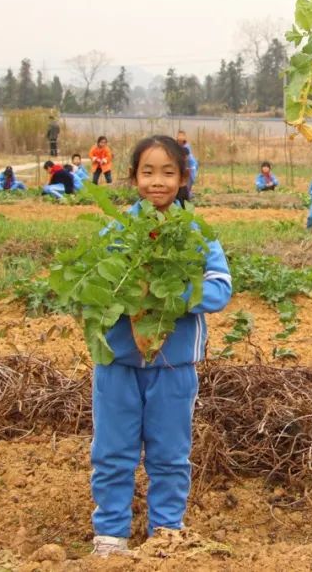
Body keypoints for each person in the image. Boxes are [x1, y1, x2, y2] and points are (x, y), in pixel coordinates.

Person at [89, 135, 232, 558]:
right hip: (117, 360)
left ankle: (166, 533)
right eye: (148, 172)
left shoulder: (195, 233)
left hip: (174, 363)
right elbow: (94, 286)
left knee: (171, 453)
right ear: (133, 178)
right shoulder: (116, 231)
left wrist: (172, 291)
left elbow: (220, 289)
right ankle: (111, 534)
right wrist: (126, 287)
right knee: (113, 450)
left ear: (184, 178)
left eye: (168, 172)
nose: (157, 182)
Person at [176, 131, 199, 196]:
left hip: (190, 166)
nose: (179, 141)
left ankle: (187, 193)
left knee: (190, 180)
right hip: (186, 165)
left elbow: (186, 159)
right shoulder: (177, 146)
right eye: (178, 140)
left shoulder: (186, 147)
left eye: (181, 140)